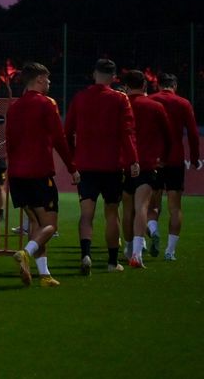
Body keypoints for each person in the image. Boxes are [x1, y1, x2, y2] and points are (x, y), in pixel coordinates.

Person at [4, 62, 78, 287]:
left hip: (17, 175)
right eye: (47, 80)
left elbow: (9, 142)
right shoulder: (47, 104)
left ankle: (44, 275)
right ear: (38, 80)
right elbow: (59, 139)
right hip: (38, 174)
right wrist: (72, 167)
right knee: (50, 225)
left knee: (36, 224)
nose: (49, 83)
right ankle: (25, 253)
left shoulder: (14, 107)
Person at [64, 58, 139, 275]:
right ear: (113, 77)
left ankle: (85, 254)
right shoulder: (120, 99)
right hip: (111, 166)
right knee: (112, 212)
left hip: (86, 165)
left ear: (94, 74)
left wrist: (72, 160)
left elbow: (67, 132)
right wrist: (133, 160)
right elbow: (127, 133)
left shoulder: (80, 98)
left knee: (86, 213)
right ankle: (112, 262)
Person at [121, 70, 173, 268]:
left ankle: (127, 248)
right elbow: (169, 137)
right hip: (147, 163)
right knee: (142, 206)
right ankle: (136, 253)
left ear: (126, 85)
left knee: (126, 209)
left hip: (124, 164)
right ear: (144, 85)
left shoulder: (121, 104)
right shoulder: (155, 106)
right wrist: (164, 159)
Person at [149, 73, 202, 260]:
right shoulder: (183, 103)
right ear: (175, 85)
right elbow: (194, 134)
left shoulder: (151, 100)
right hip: (175, 160)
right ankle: (170, 252)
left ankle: (153, 230)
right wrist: (195, 158)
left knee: (152, 204)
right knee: (175, 207)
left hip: (154, 160)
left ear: (158, 86)